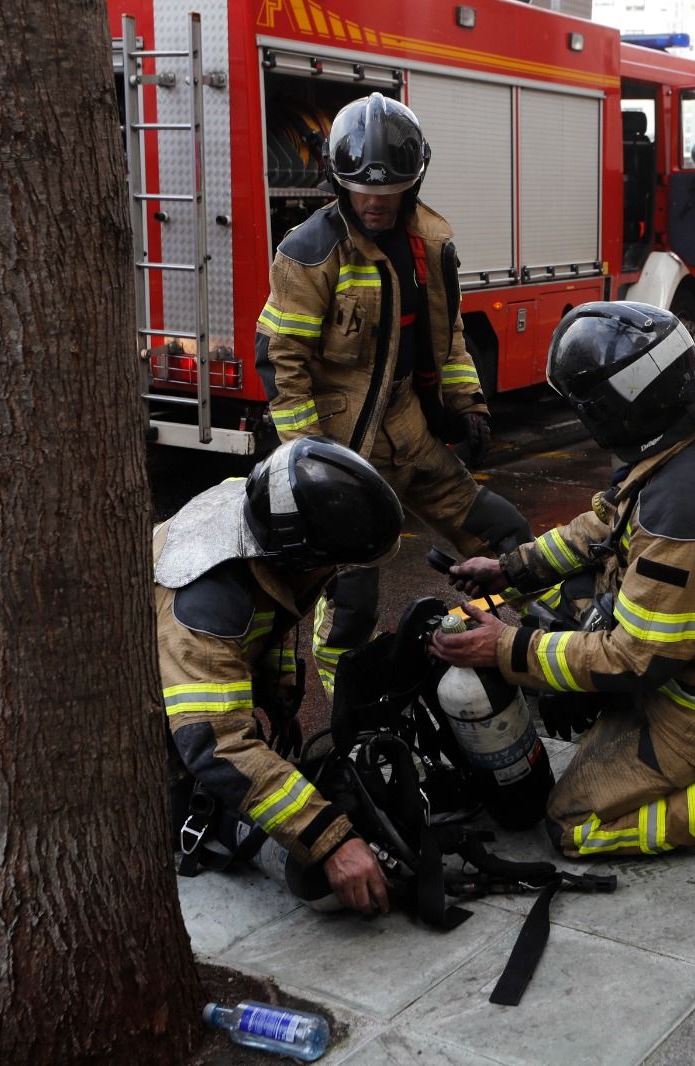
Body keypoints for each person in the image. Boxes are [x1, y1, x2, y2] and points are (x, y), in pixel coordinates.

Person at [431, 302, 695, 860]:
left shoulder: (687, 504)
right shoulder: (694, 435)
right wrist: (512, 569)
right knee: (561, 604)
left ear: (616, 412)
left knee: (572, 825)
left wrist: (507, 648)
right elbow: (608, 524)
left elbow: (638, 659)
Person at [255, 92, 530, 696]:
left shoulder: (430, 245)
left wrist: (468, 403)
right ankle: (350, 702)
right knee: (353, 599)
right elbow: (281, 360)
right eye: (361, 187)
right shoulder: (311, 253)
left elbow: (448, 335)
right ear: (338, 181)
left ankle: (556, 652)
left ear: (414, 181)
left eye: (390, 186)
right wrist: (311, 462)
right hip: (344, 452)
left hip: (411, 432)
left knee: (509, 539)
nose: (375, 199)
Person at [155, 436, 404, 915]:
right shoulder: (204, 600)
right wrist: (330, 842)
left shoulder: (264, 512)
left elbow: (269, 613)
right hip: (155, 740)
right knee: (310, 873)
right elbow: (215, 743)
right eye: (334, 562)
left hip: (187, 692)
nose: (337, 573)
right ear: (299, 554)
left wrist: (280, 693)